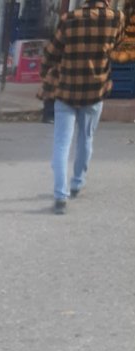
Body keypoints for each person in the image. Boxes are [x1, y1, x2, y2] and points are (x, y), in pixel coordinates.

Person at [39, 0, 125, 215]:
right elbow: (116, 46)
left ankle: (60, 196)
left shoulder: (69, 19)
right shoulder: (116, 18)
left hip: (66, 90)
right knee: (86, 139)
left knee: (61, 144)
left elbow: (50, 52)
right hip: (95, 90)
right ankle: (77, 183)